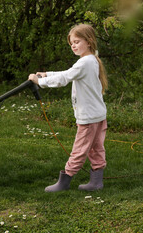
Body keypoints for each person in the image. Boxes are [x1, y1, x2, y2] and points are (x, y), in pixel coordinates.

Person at [28, 24, 108, 192]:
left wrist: (39, 81)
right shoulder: (90, 60)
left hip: (88, 118)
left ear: (89, 41)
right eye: (71, 43)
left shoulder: (85, 62)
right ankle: (96, 182)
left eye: (77, 41)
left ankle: (64, 181)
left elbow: (64, 78)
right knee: (96, 149)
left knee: (79, 151)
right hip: (98, 115)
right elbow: (68, 72)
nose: (73, 45)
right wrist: (47, 74)